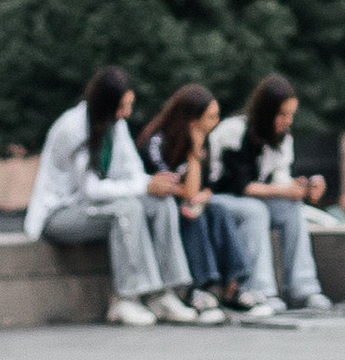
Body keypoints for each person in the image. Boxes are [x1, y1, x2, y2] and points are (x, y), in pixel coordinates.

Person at [24, 67, 218, 329]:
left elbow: (134, 172)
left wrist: (150, 185)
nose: (127, 113)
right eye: (123, 106)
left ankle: (164, 294)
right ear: (105, 104)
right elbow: (89, 190)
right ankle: (126, 298)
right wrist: (144, 186)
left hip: (94, 207)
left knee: (160, 203)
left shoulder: (117, 126)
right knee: (126, 209)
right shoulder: (72, 128)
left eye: (129, 105)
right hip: (59, 214)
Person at [140, 85, 281, 318]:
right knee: (190, 213)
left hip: (186, 203)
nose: (215, 123)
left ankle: (233, 286)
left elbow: (202, 189)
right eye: (210, 117)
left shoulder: (202, 139)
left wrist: (202, 196)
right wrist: (194, 154)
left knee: (217, 210)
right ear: (192, 120)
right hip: (160, 207)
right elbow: (183, 191)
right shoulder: (156, 142)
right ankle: (198, 288)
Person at [210, 75, 336, 319]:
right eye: (282, 115)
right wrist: (284, 190)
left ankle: (303, 288)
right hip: (219, 199)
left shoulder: (282, 140)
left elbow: (280, 180)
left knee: (292, 209)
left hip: (252, 198)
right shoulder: (234, 131)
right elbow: (239, 185)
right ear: (266, 112)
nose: (287, 122)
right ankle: (261, 290)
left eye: (291, 115)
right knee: (254, 211)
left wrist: (304, 187)